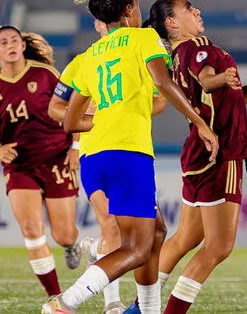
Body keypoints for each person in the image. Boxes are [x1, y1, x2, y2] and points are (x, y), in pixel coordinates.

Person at [42, 0, 217, 314]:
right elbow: (164, 84)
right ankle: (65, 302)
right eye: (136, 5)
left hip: (94, 156)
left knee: (155, 232)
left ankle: (147, 310)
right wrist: (200, 124)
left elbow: (68, 121)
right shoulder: (143, 40)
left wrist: (104, 117)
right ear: (129, 9)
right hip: (128, 153)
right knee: (135, 247)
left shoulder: (88, 57)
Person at [141, 0, 247, 314]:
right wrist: (218, 79)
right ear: (172, 22)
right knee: (218, 247)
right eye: (188, 8)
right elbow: (207, 81)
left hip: (198, 152)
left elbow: (239, 96)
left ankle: (139, 306)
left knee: (186, 237)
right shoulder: (199, 46)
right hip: (222, 152)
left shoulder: (180, 53)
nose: (197, 10)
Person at [48, 18, 168, 314]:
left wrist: (115, 113)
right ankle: (98, 302)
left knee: (156, 231)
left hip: (105, 152)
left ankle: (145, 308)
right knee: (117, 231)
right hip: (114, 150)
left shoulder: (97, 57)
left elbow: (158, 100)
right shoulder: (109, 52)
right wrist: (95, 124)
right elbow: (57, 109)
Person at [0, 26, 81, 299]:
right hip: (20, 166)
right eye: (3, 42)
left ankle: (72, 246)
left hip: (56, 157)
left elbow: (77, 105)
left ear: (23, 46)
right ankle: (56, 299)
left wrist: (77, 147)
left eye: (14, 41)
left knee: (65, 236)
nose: (10, 45)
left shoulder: (45, 74)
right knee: (31, 230)